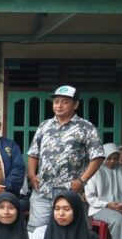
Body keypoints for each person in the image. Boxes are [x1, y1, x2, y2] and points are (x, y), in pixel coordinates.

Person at [27, 86, 104, 231]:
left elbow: (98, 156)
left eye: (64, 102)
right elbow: (33, 153)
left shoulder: (86, 127)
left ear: (76, 104)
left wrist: (82, 181)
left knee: (72, 232)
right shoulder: (44, 126)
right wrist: (32, 175)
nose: (59, 105)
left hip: (71, 191)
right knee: (36, 231)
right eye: (56, 101)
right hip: (42, 190)